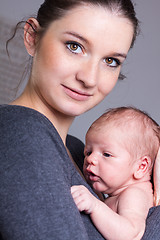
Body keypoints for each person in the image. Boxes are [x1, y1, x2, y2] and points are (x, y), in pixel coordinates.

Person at [0, 0, 160, 239]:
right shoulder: (21, 132)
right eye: (74, 46)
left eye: (110, 61)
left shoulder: (76, 149)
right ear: (32, 37)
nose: (89, 78)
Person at [71, 106, 160, 240]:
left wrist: (95, 206)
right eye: (88, 152)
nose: (90, 159)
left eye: (106, 154)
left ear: (141, 167)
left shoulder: (134, 194)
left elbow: (132, 234)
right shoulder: (123, 193)